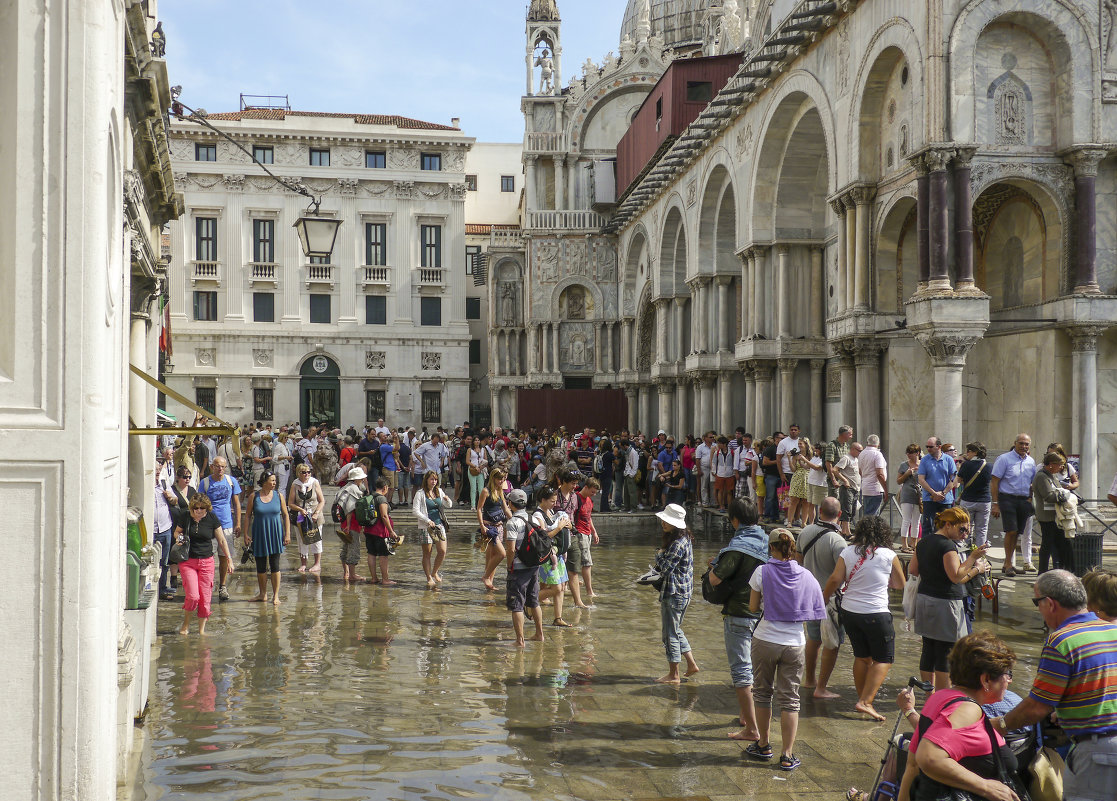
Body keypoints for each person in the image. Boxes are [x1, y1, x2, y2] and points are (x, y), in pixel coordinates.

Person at [995, 570, 1117, 801]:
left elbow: (1036, 708)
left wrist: (997, 724)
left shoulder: (1062, 640)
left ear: (1049, 603)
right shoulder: (1112, 630)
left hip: (1097, 754)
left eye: (1036, 602)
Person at [890, 631, 1023, 801]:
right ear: (986, 680)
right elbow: (928, 756)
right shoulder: (968, 710)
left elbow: (914, 763)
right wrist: (986, 787)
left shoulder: (940, 697)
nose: (1009, 681)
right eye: (1008, 674)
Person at [744, 527, 825, 772]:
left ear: (771, 547)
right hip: (795, 643)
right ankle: (787, 755)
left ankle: (763, 744)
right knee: (790, 699)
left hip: (766, 639)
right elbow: (814, 609)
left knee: (762, 692)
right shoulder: (806, 575)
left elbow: (753, 607)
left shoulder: (762, 572)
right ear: (792, 548)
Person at [823, 516, 906, 721]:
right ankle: (866, 701)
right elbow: (899, 584)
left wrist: (821, 600)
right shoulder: (888, 554)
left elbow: (835, 579)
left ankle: (863, 698)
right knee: (884, 658)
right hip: (876, 613)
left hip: (850, 612)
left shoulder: (848, 552)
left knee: (862, 657)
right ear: (883, 533)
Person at [909, 507, 991, 690]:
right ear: (947, 525)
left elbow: (913, 570)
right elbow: (956, 576)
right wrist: (974, 562)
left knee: (928, 648)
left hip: (924, 599)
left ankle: (928, 693)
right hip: (945, 603)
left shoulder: (923, 542)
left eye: (968, 530)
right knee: (946, 652)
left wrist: (933, 572)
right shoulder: (947, 546)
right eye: (962, 529)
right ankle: (942, 695)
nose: (965, 534)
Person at [708, 498, 769, 741]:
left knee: (741, 670)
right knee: (757, 668)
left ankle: (752, 729)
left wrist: (713, 565)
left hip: (739, 614)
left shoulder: (737, 548)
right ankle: (747, 715)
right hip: (765, 614)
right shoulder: (768, 541)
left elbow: (715, 580)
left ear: (735, 520)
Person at [796, 497, 847, 700]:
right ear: (839, 515)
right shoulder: (838, 541)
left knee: (814, 638)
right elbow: (841, 575)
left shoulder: (805, 531)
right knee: (832, 643)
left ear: (818, 511)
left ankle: (809, 680)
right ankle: (822, 687)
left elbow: (797, 564)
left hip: (809, 595)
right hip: (831, 599)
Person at [172, 494, 234, 635]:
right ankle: (186, 625)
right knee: (193, 596)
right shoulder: (185, 516)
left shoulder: (212, 518)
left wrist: (229, 559)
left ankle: (201, 631)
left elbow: (222, 540)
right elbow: (176, 532)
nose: (198, 511)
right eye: (195, 508)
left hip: (207, 562)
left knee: (205, 600)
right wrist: (180, 538)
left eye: (201, 508)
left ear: (207, 508)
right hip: (188, 561)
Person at [652, 503, 699, 684]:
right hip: (683, 592)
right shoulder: (684, 537)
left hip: (674, 593)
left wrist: (659, 553)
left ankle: (674, 674)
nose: (662, 522)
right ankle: (692, 664)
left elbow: (665, 568)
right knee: (676, 630)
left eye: (666, 520)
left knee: (669, 634)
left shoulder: (677, 543)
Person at [990, 433, 1036, 576]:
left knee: (1017, 532)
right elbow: (994, 481)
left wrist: (1029, 498)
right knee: (1010, 530)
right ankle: (1008, 563)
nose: (1023, 446)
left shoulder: (1031, 461)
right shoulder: (1004, 459)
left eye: (1026, 444)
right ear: (1015, 443)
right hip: (1007, 498)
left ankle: (1008, 563)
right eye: (1021, 443)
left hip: (1023, 500)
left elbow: (1032, 482)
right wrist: (996, 503)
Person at [503, 489, 545, 646]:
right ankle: (539, 634)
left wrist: (509, 566)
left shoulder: (512, 522)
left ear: (511, 504)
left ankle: (520, 640)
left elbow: (511, 550)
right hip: (534, 566)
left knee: (517, 605)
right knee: (534, 601)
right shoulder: (533, 518)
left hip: (519, 569)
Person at [244, 471, 290, 605]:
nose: (274, 483)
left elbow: (285, 515)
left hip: (275, 533)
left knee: (275, 565)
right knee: (261, 565)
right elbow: (247, 515)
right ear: (264, 481)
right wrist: (246, 534)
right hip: (259, 533)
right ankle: (262, 594)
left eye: (275, 480)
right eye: (272, 480)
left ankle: (276, 595)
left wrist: (287, 534)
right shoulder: (254, 496)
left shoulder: (279, 496)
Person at [199, 457, 242, 602]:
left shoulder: (231, 481)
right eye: (217, 466)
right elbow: (199, 504)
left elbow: (236, 503)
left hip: (226, 524)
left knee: (224, 557)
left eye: (223, 467)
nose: (220, 469)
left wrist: (238, 523)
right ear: (212, 467)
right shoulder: (205, 483)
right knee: (207, 558)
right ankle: (207, 586)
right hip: (209, 525)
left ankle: (222, 586)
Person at [531, 486, 574, 627]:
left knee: (561, 586)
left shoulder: (550, 512)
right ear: (543, 500)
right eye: (551, 501)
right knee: (555, 588)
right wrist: (559, 527)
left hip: (557, 554)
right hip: (546, 556)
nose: (554, 504)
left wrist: (568, 526)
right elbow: (543, 537)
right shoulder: (537, 516)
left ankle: (558, 618)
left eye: (555, 501)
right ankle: (529, 601)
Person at [1031, 451, 1075, 575]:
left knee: (1062, 543)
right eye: (1059, 465)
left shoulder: (1052, 475)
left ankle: (1064, 570)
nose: (1061, 467)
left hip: (1055, 515)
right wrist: (1065, 495)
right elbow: (1049, 496)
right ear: (1051, 464)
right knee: (1047, 544)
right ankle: (1042, 572)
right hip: (1046, 516)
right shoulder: (1041, 476)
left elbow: (1057, 490)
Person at [413, 470, 452, 589]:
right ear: (426, 480)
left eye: (435, 479)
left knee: (442, 551)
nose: (434, 482)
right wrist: (427, 520)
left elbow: (448, 505)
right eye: (431, 479)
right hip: (426, 527)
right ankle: (429, 577)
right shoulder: (420, 493)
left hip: (439, 525)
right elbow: (415, 511)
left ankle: (434, 571)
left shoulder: (439, 491)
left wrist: (447, 500)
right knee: (427, 553)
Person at [569, 476, 601, 607]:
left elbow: (589, 516)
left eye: (595, 493)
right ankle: (589, 591)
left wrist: (594, 532)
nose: (593, 495)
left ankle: (573, 586)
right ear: (585, 487)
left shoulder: (588, 500)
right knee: (587, 563)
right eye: (592, 492)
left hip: (587, 532)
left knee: (582, 562)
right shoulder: (576, 498)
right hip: (580, 533)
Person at [477, 468, 511, 591]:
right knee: (502, 554)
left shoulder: (500, 491)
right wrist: (482, 526)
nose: (501, 481)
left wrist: (514, 520)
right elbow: (479, 509)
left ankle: (489, 582)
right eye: (499, 479)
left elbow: (506, 508)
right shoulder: (486, 491)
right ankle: (486, 577)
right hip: (489, 527)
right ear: (493, 478)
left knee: (493, 555)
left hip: (499, 526)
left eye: (503, 479)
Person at [917, 437, 956, 542]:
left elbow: (953, 478)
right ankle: (926, 549)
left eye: (931, 447)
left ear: (939, 447)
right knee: (928, 525)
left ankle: (943, 548)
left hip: (945, 499)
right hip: (929, 498)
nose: (928, 449)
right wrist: (933, 493)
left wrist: (943, 493)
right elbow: (921, 479)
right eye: (927, 447)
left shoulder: (948, 459)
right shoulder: (925, 460)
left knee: (945, 525)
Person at [287, 463, 325, 574]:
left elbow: (322, 500)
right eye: (304, 472)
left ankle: (317, 563)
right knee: (301, 539)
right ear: (298, 473)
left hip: (314, 515)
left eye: (308, 472)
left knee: (316, 538)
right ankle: (303, 563)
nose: (307, 474)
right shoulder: (295, 484)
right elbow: (290, 503)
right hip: (301, 516)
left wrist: (316, 512)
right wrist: (300, 509)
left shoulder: (314, 483)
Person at [335, 467, 369, 583]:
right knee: (354, 547)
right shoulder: (354, 489)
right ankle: (352, 574)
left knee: (345, 547)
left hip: (343, 522)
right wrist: (349, 525)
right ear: (357, 479)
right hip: (351, 524)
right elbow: (350, 509)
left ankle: (346, 572)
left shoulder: (344, 488)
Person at [363, 476, 399, 584]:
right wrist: (391, 531)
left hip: (369, 529)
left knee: (371, 553)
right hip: (380, 531)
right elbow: (384, 516)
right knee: (383, 555)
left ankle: (374, 578)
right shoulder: (381, 498)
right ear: (385, 487)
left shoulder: (370, 496)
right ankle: (385, 579)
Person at [956, 442, 993, 547]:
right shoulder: (989, 466)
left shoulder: (966, 465)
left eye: (969, 451)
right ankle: (980, 555)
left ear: (975, 452)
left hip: (968, 500)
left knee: (965, 527)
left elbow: (959, 480)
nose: (967, 453)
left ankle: (966, 553)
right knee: (982, 529)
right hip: (984, 501)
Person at [153, 462, 178, 601]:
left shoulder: (163, 484)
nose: (157, 471)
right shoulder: (146, 485)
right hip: (151, 530)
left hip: (165, 527)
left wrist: (171, 497)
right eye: (155, 469)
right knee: (151, 560)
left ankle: (162, 588)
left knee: (164, 561)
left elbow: (175, 501)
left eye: (159, 469)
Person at [834, 441, 863, 537]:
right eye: (859, 450)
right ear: (853, 449)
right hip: (847, 488)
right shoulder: (846, 458)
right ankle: (847, 532)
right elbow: (835, 470)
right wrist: (844, 480)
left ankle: (843, 530)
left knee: (853, 510)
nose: (860, 452)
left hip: (856, 488)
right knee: (847, 509)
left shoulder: (856, 459)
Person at [858, 434, 888, 518]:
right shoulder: (877, 454)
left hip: (865, 487)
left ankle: (866, 530)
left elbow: (860, 471)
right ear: (878, 444)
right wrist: (885, 490)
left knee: (868, 514)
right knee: (873, 516)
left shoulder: (862, 454)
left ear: (867, 442)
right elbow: (880, 474)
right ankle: (869, 531)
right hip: (875, 488)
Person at [468, 436, 488, 509]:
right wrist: (475, 466)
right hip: (472, 469)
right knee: (473, 488)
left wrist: (481, 467)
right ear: (473, 442)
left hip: (481, 469)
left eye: (478, 440)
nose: (477, 441)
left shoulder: (483, 449)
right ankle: (473, 505)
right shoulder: (470, 450)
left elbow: (486, 460)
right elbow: (467, 461)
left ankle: (481, 505)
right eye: (475, 440)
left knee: (481, 488)